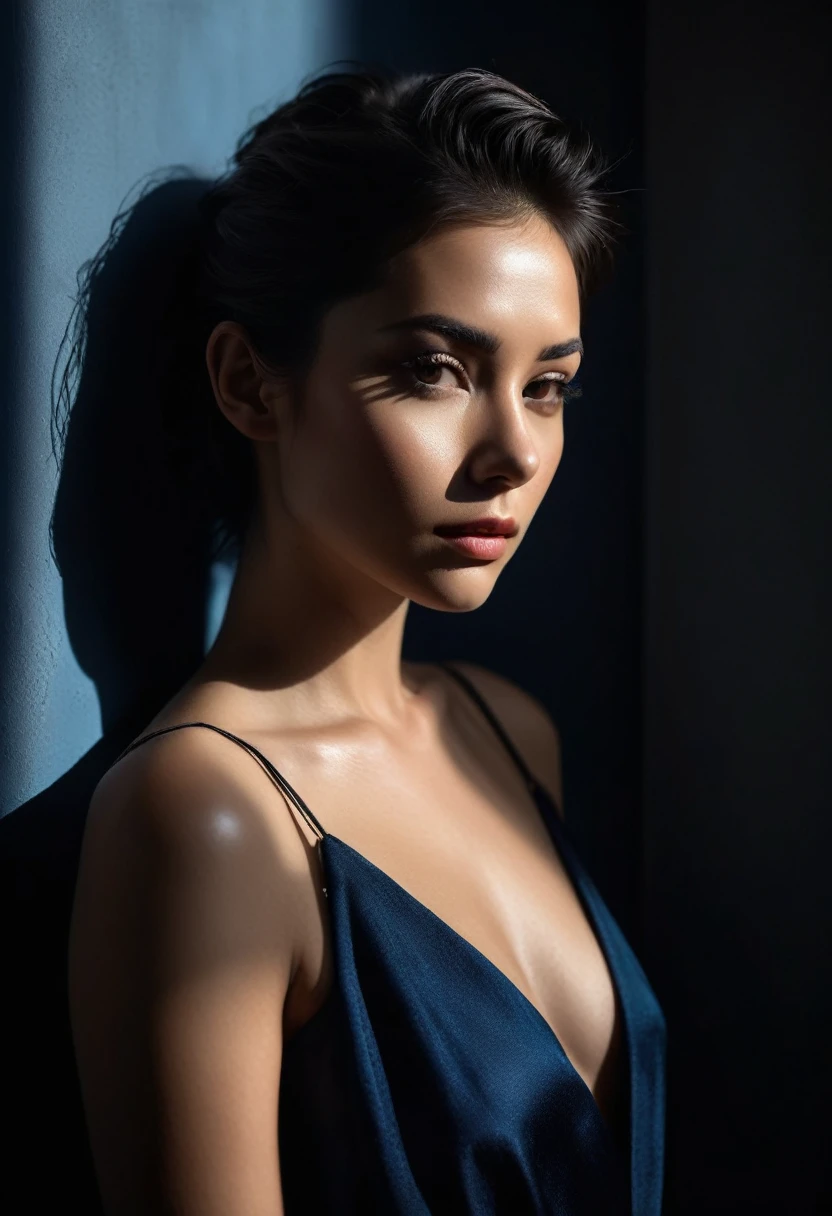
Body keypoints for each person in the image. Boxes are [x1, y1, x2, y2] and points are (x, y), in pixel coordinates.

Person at [67, 65, 666, 1215]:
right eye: (436, 370)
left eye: (547, 387)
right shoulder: (206, 816)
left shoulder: (507, 732)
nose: (512, 453)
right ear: (251, 382)